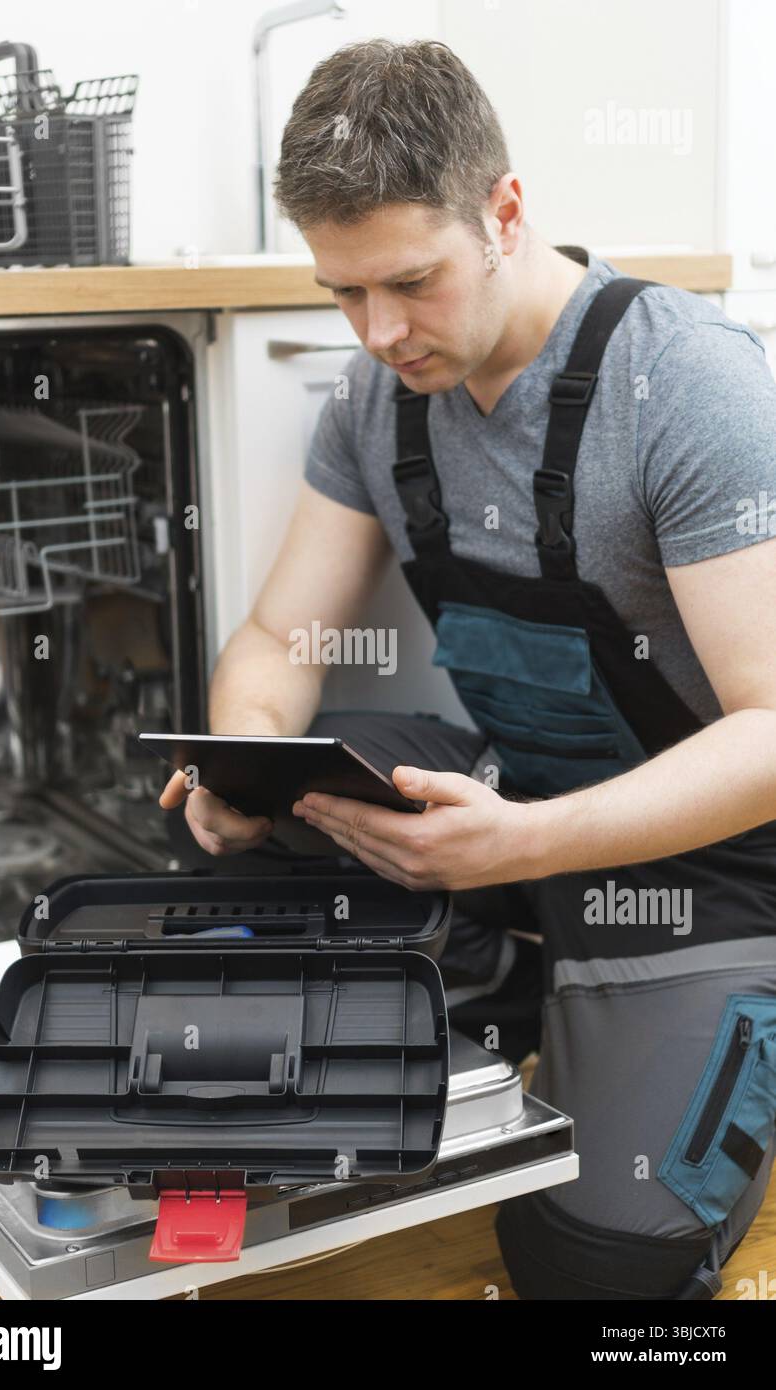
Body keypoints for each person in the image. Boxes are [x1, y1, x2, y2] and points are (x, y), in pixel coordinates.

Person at [160, 39, 776, 1300]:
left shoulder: (687, 385)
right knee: (238, 825)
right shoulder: (376, 401)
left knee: (592, 1269)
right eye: (342, 294)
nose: (379, 332)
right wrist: (241, 760)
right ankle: (519, 979)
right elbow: (281, 641)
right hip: (516, 801)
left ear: (501, 211)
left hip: (717, 865)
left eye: (408, 282)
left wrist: (526, 845)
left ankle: (639, 1002)